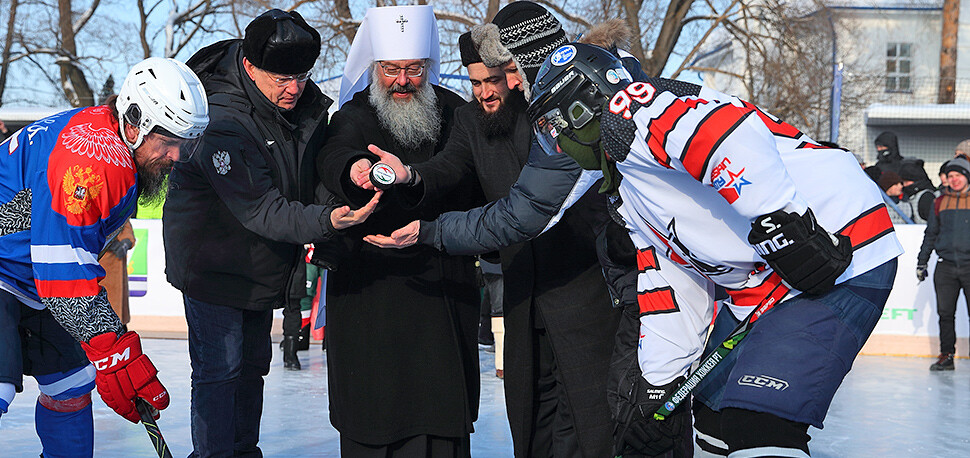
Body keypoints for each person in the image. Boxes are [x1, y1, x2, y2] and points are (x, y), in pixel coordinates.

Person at [526, 42, 902, 457]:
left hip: (841, 248)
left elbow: (726, 134)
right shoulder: (629, 192)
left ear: (584, 109)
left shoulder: (637, 114)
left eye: (555, 127)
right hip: (767, 285)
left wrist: (781, 221)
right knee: (713, 414)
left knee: (759, 419)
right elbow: (671, 283)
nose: (558, 145)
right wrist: (658, 384)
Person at [0, 57, 209, 457]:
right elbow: (63, 274)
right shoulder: (92, 163)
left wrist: (112, 346)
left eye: (185, 143)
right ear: (134, 121)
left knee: (72, 384)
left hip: (28, 266)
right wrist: (113, 349)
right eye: (168, 140)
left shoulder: (117, 143)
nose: (176, 156)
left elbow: (66, 259)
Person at [359, 11, 627, 457]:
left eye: (494, 80)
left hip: (581, 290)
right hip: (521, 289)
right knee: (531, 410)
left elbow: (524, 211)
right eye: (475, 82)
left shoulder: (554, 112)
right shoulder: (469, 121)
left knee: (587, 416)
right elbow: (448, 169)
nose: (485, 92)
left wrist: (431, 232)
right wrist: (410, 176)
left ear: (515, 72)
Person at [164, 10, 379, 457]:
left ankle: (243, 452)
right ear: (248, 66)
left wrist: (345, 190)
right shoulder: (220, 120)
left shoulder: (305, 107)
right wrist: (329, 221)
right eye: (280, 77)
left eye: (301, 76)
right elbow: (261, 208)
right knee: (219, 371)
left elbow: (311, 175)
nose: (293, 88)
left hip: (264, 265)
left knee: (251, 369)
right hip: (213, 265)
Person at [316, 5, 484, 455]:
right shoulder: (354, 115)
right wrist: (355, 170)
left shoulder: (455, 112)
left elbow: (464, 172)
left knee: (439, 416)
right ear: (375, 68)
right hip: (371, 289)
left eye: (413, 69)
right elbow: (333, 154)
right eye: (391, 69)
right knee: (373, 416)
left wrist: (412, 177)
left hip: (440, 284)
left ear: (428, 67)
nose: (403, 80)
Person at [916, 157, 970, 371]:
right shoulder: (939, 202)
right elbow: (931, 234)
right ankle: (947, 355)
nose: (954, 180)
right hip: (945, 266)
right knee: (945, 314)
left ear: (966, 176)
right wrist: (922, 262)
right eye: (950, 176)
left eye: (958, 175)